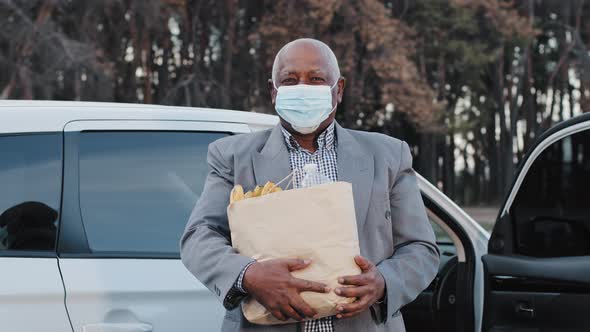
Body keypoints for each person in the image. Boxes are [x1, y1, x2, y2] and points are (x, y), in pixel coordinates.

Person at [180, 38, 440, 332]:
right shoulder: (233, 157)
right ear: (273, 91)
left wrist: (383, 282)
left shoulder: (388, 155)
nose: (303, 88)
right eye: (290, 80)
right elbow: (198, 238)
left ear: (338, 90)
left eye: (316, 79)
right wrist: (249, 275)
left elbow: (421, 248)